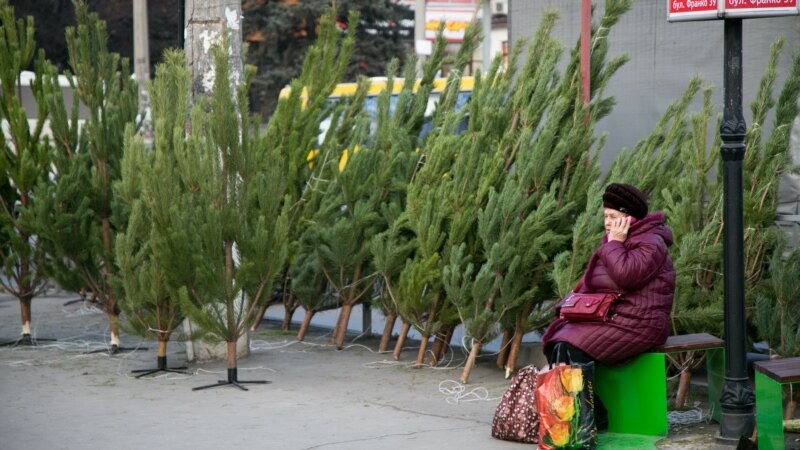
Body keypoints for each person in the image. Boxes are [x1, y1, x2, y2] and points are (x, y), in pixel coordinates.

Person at [540, 182, 676, 428]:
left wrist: (614, 243)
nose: (607, 222)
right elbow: (597, 283)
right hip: (615, 317)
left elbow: (627, 275)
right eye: (605, 216)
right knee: (557, 342)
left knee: (573, 345)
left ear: (629, 218)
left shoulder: (651, 242)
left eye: (613, 216)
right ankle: (586, 416)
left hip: (641, 323)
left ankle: (589, 421)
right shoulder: (619, 240)